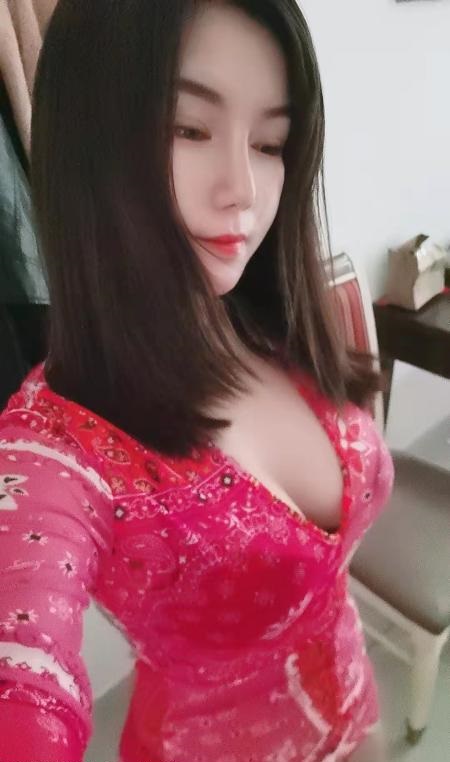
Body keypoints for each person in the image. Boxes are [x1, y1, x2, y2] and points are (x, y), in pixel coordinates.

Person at [0, 1, 395, 760]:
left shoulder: (276, 320)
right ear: (89, 140)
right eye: (188, 129)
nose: (243, 188)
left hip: (356, 715)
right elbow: (23, 677)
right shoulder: (57, 445)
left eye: (271, 142)